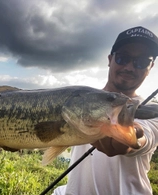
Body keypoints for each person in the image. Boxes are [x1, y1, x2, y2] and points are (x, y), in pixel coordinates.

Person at [52, 26, 158, 195]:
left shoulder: (152, 111)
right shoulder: (81, 100)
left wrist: (132, 138)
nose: (130, 67)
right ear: (110, 59)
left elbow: (145, 138)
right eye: (123, 58)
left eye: (142, 62)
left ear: (150, 67)